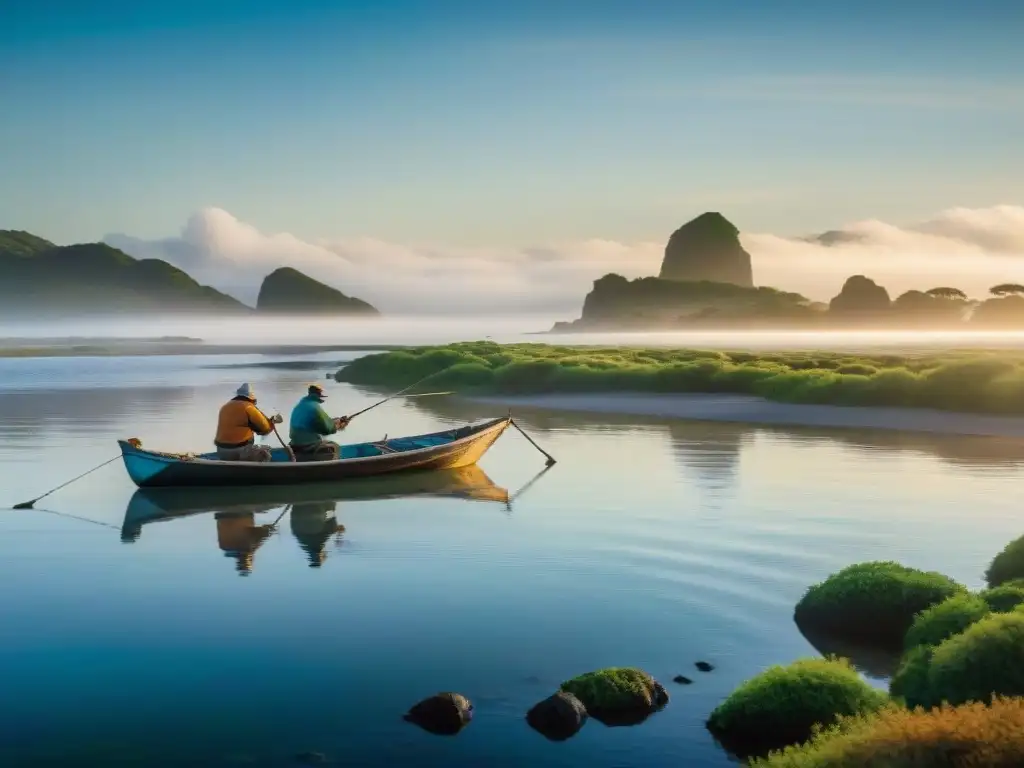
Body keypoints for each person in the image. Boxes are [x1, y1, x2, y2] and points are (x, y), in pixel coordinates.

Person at [214, 383, 283, 462]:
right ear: (251, 398)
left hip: (221, 451)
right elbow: (265, 430)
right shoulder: (249, 407)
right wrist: (273, 421)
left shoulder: (225, 407)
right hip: (239, 451)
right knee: (266, 453)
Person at [289, 383, 349, 461]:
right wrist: (339, 426)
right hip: (307, 445)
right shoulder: (315, 407)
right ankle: (333, 468)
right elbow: (326, 429)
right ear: (318, 395)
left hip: (294, 444)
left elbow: (317, 423)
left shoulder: (299, 405)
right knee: (335, 446)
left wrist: (335, 421)